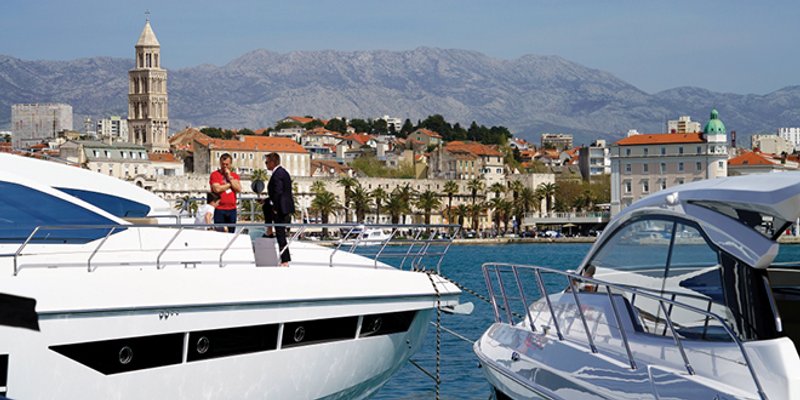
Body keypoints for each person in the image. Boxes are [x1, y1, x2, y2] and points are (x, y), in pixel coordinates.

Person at [265, 152, 295, 266]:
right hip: (284, 207)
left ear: (273, 162)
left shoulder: (277, 174)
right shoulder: (283, 172)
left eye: (267, 162)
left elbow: (278, 192)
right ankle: (268, 229)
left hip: (280, 208)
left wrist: (275, 207)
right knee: (280, 234)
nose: (266, 165)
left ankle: (285, 260)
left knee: (280, 234)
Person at [209, 153, 241, 232]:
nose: (225, 166)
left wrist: (229, 177)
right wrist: (230, 184)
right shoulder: (215, 175)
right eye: (223, 164)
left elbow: (238, 188)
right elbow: (217, 189)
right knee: (220, 232)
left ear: (230, 164)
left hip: (232, 209)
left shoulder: (234, 175)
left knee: (231, 232)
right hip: (219, 208)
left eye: (227, 164)